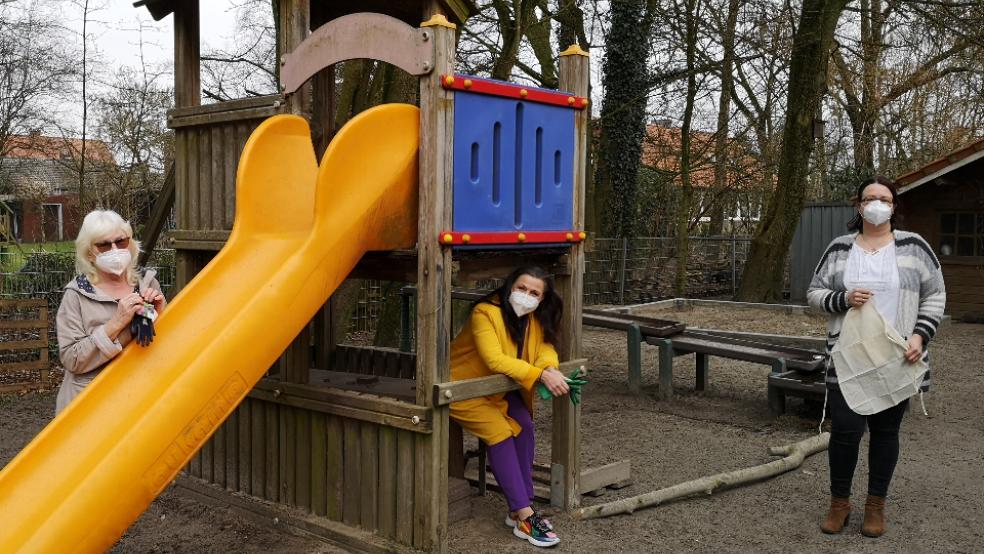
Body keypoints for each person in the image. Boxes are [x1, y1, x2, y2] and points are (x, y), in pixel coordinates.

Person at [807, 176, 945, 538]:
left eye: (885, 198)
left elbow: (935, 295)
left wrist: (920, 335)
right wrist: (843, 299)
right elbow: (814, 293)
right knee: (846, 433)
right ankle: (839, 503)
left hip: (896, 356)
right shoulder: (839, 249)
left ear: (894, 206)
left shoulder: (915, 248)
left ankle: (875, 505)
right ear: (859, 205)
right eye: (871, 198)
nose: (877, 204)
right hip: (849, 357)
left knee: (885, 433)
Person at [449, 266, 569, 548]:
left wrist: (549, 367)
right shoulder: (484, 313)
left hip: (499, 390)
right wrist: (541, 375)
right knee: (500, 432)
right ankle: (526, 516)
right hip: (463, 388)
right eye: (522, 288)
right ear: (510, 286)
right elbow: (494, 360)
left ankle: (518, 508)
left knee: (525, 425)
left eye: (534, 293)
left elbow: (545, 348)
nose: (526, 296)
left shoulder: (534, 318)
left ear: (542, 299)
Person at [55, 209, 166, 414]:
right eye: (104, 245)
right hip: (91, 406)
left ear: (130, 243)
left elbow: (157, 344)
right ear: (89, 252)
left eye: (121, 241)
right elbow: (72, 359)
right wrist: (115, 323)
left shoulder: (148, 284)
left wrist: (159, 314)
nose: (115, 250)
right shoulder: (76, 295)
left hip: (141, 401)